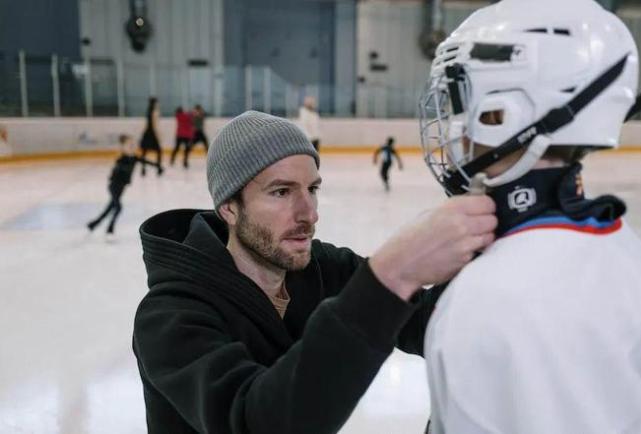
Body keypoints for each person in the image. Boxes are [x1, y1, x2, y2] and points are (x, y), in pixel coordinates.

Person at [132, 111, 497, 433]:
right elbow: (255, 421)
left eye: (312, 189)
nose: (309, 213)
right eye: (281, 192)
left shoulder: (322, 269)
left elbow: (427, 321)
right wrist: (393, 273)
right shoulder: (170, 316)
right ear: (229, 208)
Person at [419, 0, 641, 432]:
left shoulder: (488, 297)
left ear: (508, 111)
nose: (454, 125)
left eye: (461, 101)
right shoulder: (631, 255)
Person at [87, 134, 162, 238]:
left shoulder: (134, 158)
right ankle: (110, 228)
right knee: (118, 207)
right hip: (114, 187)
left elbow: (146, 161)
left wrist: (158, 166)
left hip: (121, 188)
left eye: (133, 144)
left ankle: (93, 224)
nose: (132, 146)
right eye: (129, 145)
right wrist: (121, 168)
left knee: (110, 208)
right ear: (122, 147)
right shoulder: (121, 159)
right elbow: (118, 170)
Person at [139, 97, 164, 176]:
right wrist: (158, 136)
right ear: (155, 103)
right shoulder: (155, 112)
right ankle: (159, 168)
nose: (158, 104)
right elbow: (154, 125)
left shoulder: (148, 111)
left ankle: (143, 169)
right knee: (159, 151)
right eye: (157, 103)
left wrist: (143, 133)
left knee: (144, 152)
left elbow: (147, 124)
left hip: (147, 133)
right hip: (152, 133)